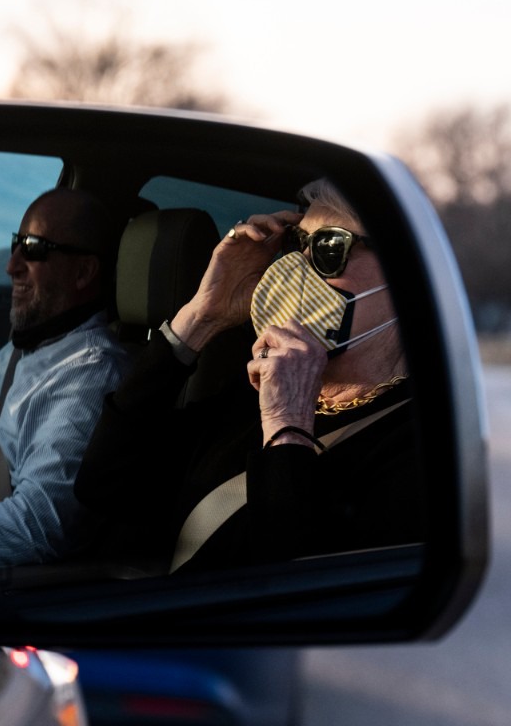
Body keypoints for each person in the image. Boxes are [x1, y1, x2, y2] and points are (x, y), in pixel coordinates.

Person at [76, 179, 424, 574]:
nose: (298, 268)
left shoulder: (415, 444)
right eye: (296, 244)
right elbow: (105, 483)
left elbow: (294, 595)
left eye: (328, 247)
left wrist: (286, 429)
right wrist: (201, 318)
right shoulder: (255, 392)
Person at [0, 187, 132, 566]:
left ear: (83, 272)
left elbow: (32, 529)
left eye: (34, 248)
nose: (12, 265)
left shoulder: (91, 374)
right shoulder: (20, 350)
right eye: (15, 243)